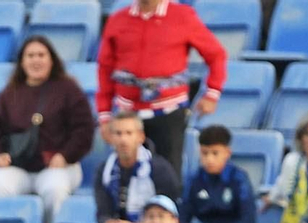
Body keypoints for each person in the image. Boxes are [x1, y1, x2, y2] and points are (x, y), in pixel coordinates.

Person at [94, 0, 225, 177]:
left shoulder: (182, 16)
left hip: (167, 114)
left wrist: (212, 93)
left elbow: (216, 55)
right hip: (128, 115)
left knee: (167, 178)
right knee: (125, 177)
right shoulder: (118, 19)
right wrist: (104, 115)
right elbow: (105, 69)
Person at [0, 34, 95, 223]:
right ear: (22, 62)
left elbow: (84, 129)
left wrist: (65, 156)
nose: (36, 60)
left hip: (58, 166)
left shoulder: (68, 89)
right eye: (30, 55)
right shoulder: (11, 91)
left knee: (55, 190)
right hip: (20, 165)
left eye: (41, 55)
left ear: (52, 59)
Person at [90, 111, 181, 223]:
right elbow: (103, 214)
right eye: (118, 133)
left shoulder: (160, 169)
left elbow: (171, 212)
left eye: (129, 133)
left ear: (140, 136)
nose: (123, 139)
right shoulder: (104, 170)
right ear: (111, 137)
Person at [181, 124, 258, 223]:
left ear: (227, 153)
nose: (209, 159)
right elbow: (183, 216)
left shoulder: (238, 178)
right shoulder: (194, 180)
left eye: (215, 153)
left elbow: (247, 221)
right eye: (205, 153)